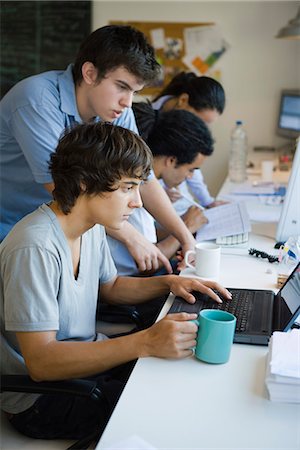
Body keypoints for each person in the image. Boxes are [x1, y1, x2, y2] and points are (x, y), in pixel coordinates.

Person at [0, 122, 231, 442]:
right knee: (171, 411)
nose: (137, 202)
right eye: (127, 188)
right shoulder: (34, 246)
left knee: (179, 374)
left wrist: (170, 283)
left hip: (84, 367)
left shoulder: (91, 225)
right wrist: (145, 342)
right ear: (83, 182)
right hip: (42, 399)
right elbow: (41, 363)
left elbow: (111, 288)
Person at [0, 24, 196, 274]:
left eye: (135, 92)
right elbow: (64, 190)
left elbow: (142, 177)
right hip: (16, 229)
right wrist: (134, 239)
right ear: (90, 73)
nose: (127, 102)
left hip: (67, 223)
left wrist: (185, 237)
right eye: (122, 87)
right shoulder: (36, 101)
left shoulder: (116, 111)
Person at [108, 104, 213, 276]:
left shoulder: (151, 188)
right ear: (171, 160)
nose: (190, 177)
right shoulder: (135, 192)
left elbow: (148, 236)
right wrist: (186, 227)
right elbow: (150, 264)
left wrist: (180, 227)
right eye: (191, 169)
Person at [149, 72, 227, 213]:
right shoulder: (145, 121)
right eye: (200, 120)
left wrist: (208, 202)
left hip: (176, 206)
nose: (200, 127)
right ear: (183, 100)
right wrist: (155, 192)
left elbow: (190, 164)